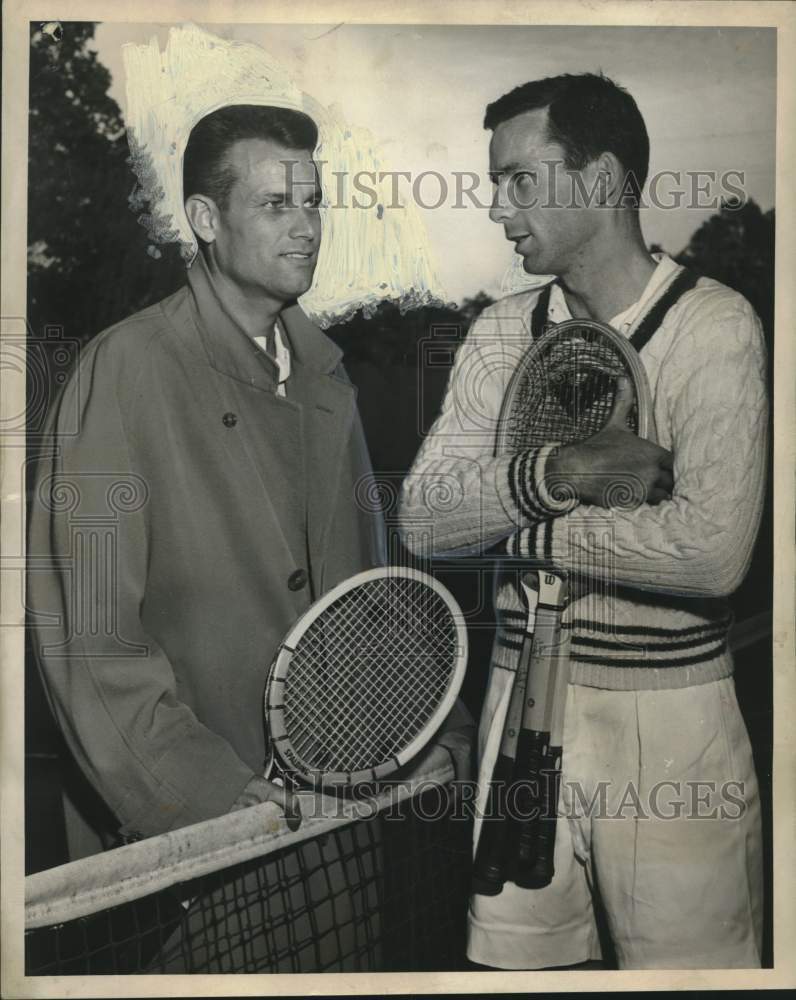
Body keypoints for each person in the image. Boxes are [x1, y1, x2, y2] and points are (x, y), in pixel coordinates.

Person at [28, 102, 471, 971]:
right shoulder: (124, 371)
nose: (307, 227)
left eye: (314, 201)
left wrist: (432, 720)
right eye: (277, 204)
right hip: (198, 866)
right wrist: (209, 798)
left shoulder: (326, 379)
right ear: (204, 220)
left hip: (340, 838)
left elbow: (367, 603)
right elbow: (91, 647)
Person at [399, 73, 767, 970]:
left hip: (673, 726)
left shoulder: (713, 327)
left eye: (520, 179)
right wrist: (562, 469)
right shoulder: (499, 332)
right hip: (519, 709)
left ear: (600, 179)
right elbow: (422, 518)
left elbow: (712, 552)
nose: (496, 208)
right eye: (494, 183)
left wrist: (518, 524)